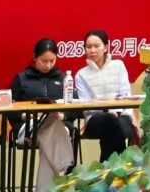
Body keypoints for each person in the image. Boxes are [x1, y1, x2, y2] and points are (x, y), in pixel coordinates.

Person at [12, 39, 74, 192]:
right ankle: (64, 165)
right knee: (52, 132)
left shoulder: (63, 79)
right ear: (35, 58)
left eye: (52, 61)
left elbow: (76, 107)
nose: (48, 65)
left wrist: (63, 115)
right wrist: (26, 115)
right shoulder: (22, 79)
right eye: (44, 61)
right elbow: (10, 112)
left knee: (50, 135)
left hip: (57, 125)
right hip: (28, 128)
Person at [75, 30, 136, 164]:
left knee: (115, 126)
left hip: (121, 116)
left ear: (106, 47)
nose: (92, 50)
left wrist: (130, 118)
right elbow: (86, 105)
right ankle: (120, 166)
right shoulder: (81, 74)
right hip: (95, 119)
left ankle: (106, 167)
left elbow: (126, 95)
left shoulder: (118, 66)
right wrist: (108, 112)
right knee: (110, 121)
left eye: (96, 46)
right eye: (88, 47)